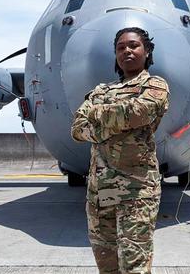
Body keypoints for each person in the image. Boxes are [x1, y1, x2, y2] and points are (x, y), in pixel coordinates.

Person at [71, 27, 169, 274]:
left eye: (134, 45)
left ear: (147, 52)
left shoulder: (155, 85)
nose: (127, 50)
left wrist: (97, 114)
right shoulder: (102, 89)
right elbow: (78, 129)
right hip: (99, 193)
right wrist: (117, 122)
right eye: (121, 47)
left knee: (134, 265)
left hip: (136, 193)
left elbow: (140, 112)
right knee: (107, 266)